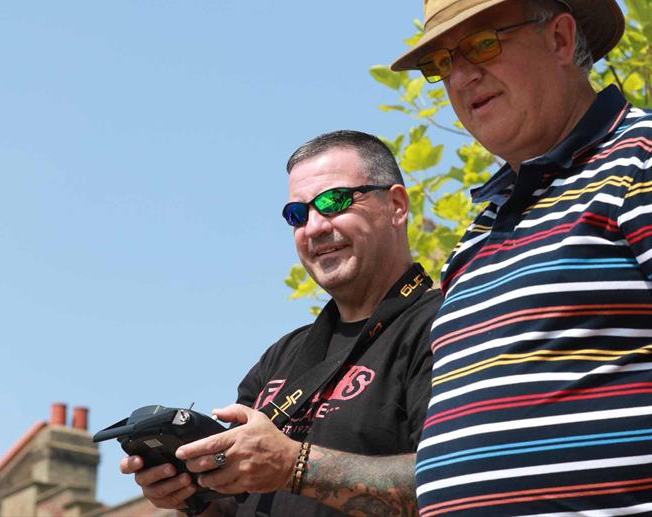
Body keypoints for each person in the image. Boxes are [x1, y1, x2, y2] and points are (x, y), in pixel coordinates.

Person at [390, 0, 652, 515]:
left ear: (560, 38)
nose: (460, 75)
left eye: (483, 44)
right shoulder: (476, 236)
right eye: (442, 62)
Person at [120, 130, 442, 516]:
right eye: (298, 214)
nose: (315, 227)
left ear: (396, 206)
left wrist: (294, 465)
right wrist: (192, 493)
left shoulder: (446, 324)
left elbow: (459, 480)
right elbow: (236, 502)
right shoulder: (282, 355)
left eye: (335, 201)